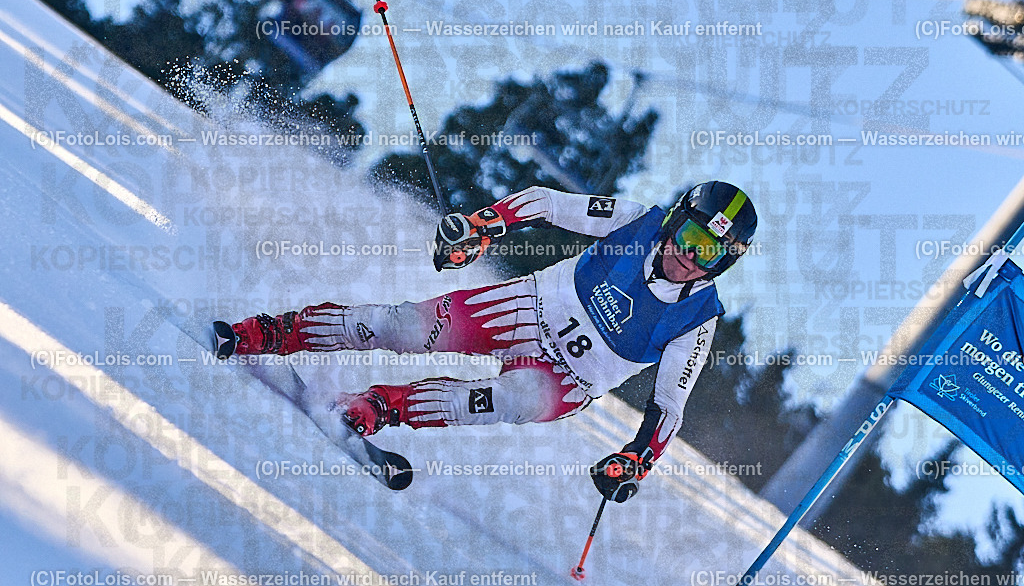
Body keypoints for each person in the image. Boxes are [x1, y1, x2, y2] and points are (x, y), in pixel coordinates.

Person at [219, 181, 757, 502]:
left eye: (709, 254)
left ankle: (378, 407)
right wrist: (483, 226)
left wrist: (634, 459)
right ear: (674, 223)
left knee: (508, 402)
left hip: (566, 380)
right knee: (403, 326)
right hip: (526, 310)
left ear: (723, 264)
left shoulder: (697, 318)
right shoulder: (637, 221)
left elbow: (669, 407)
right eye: (689, 238)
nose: (690, 256)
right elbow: (547, 204)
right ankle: (270, 333)